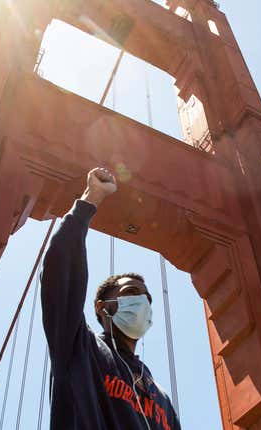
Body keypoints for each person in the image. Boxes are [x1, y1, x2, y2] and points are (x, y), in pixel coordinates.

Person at [41, 167, 182, 430]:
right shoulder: (77, 347)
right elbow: (59, 272)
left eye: (146, 299)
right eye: (130, 293)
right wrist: (90, 198)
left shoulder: (162, 398)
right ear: (102, 308)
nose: (142, 303)